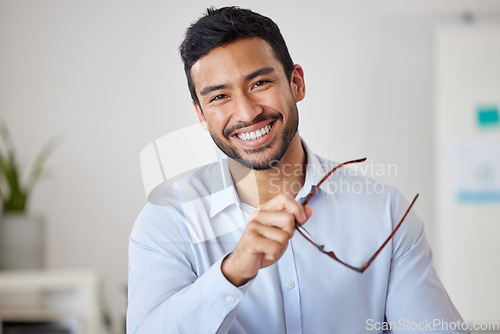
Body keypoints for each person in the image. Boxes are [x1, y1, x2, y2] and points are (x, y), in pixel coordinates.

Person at [128, 6, 469, 334]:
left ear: (296, 83)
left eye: (259, 83)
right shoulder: (167, 220)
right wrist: (230, 274)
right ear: (201, 114)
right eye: (219, 97)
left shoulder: (385, 212)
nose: (246, 113)